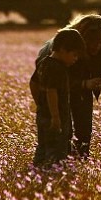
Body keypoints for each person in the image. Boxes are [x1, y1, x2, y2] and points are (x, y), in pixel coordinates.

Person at [34, 14, 101, 158]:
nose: (96, 46)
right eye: (91, 43)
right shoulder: (66, 46)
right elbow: (54, 82)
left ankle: (78, 158)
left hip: (84, 85)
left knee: (84, 129)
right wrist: (84, 84)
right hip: (56, 88)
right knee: (62, 127)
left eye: (100, 43)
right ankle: (55, 160)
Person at [30, 28, 85, 167]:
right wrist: (55, 116)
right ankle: (51, 172)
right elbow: (51, 91)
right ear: (62, 49)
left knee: (43, 145)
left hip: (42, 113)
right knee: (58, 148)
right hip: (58, 116)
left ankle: (38, 168)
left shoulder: (43, 63)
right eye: (74, 55)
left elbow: (33, 83)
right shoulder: (58, 68)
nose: (75, 59)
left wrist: (40, 104)